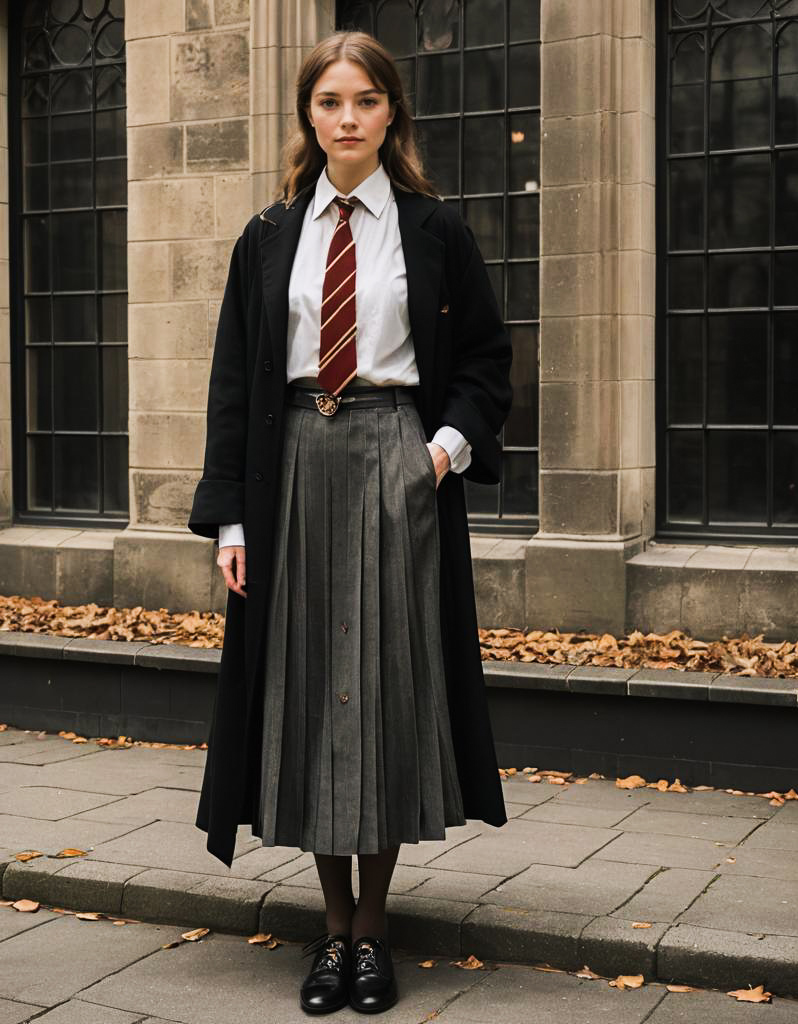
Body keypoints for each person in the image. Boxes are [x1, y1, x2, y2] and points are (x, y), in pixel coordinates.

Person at [187, 29, 513, 1017]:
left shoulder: (434, 231)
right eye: (329, 101)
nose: (346, 118)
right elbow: (235, 387)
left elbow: (487, 363)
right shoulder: (268, 235)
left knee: (376, 696)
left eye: (364, 100)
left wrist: (438, 455)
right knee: (309, 698)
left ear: (390, 113)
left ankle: (371, 935)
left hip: (393, 464)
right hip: (292, 471)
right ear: (308, 115)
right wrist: (231, 521)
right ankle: (329, 935)